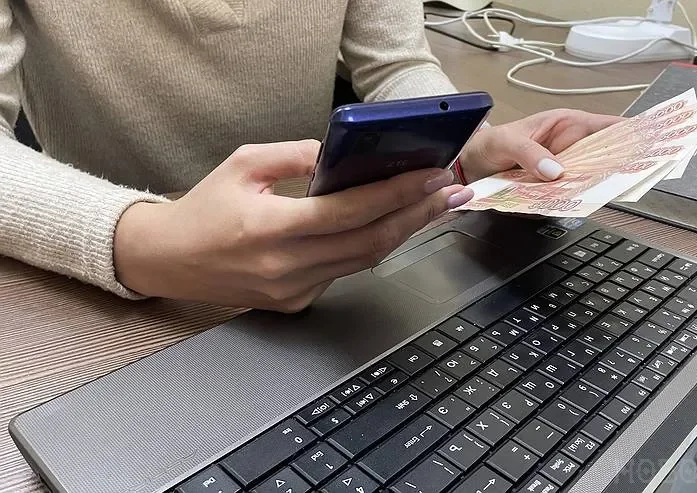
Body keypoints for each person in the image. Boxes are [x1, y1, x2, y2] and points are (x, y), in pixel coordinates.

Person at [0, 1, 622, 312]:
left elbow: (395, 61)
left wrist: (466, 138)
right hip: (110, 281)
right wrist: (137, 241)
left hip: (330, 247)